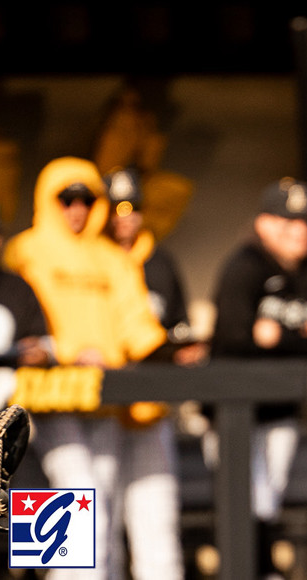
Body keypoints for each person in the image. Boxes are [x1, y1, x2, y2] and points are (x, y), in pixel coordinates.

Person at [0, 156, 168, 580]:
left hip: (104, 398)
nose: (76, 208)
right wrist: (70, 351)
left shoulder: (111, 257)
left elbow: (136, 324)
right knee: (72, 498)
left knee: (102, 509)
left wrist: (166, 352)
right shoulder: (26, 251)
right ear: (48, 200)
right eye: (66, 198)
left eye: (85, 199)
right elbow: (22, 325)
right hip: (47, 400)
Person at [209, 177, 307, 579]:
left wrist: (278, 337)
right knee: (243, 503)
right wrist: (302, 335)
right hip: (231, 411)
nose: (301, 232)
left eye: (306, 223)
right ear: (264, 225)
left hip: (280, 409)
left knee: (264, 502)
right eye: (289, 223)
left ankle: (260, 570)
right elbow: (234, 338)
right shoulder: (244, 267)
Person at [104, 166, 200, 580]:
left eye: (133, 207)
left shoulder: (160, 262)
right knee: (83, 537)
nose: (125, 216)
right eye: (115, 208)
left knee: (156, 526)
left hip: (149, 411)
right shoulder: (80, 260)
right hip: (86, 412)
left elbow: (179, 325)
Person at [0, 199, 53, 372]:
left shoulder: (18, 288)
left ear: (0, 239)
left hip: (6, 389)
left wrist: (39, 353)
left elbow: (42, 344)